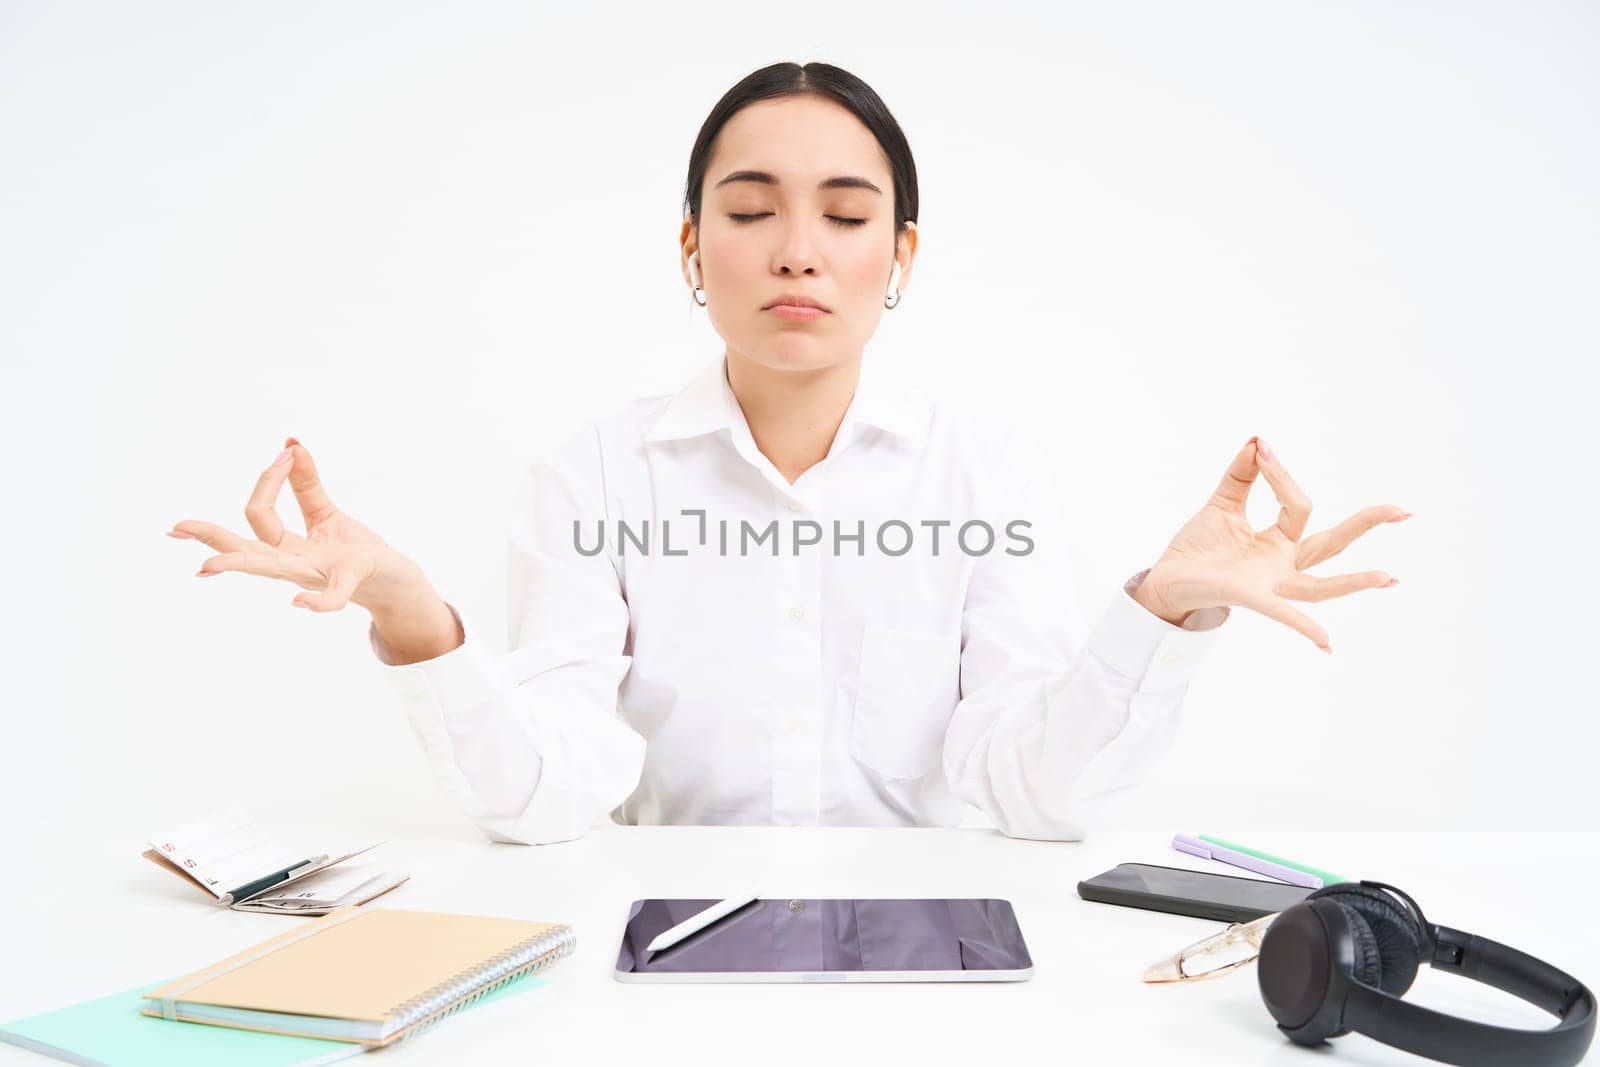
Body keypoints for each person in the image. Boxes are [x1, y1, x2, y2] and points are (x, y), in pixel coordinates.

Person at [169, 62, 1409, 846]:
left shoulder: (982, 476)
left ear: (902, 257)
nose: (798, 250)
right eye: (751, 212)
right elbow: (548, 796)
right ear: (693, 250)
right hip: (655, 963)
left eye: (846, 215)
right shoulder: (592, 478)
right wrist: (409, 614)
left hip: (939, 964)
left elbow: (1032, 794)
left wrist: (1160, 609)